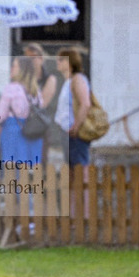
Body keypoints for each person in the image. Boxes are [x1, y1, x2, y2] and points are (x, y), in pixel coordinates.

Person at [55, 47, 92, 217]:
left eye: (61, 60)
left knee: (80, 172)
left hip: (74, 133)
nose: (58, 63)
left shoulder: (77, 79)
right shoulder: (68, 81)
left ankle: (82, 213)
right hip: (66, 132)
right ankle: (72, 212)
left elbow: (85, 104)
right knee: (71, 173)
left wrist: (76, 126)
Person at [0, 56, 43, 169]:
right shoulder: (36, 91)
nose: (11, 69)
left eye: (14, 66)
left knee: (13, 171)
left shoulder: (11, 89)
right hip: (33, 133)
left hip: (13, 132)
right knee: (31, 171)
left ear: (21, 70)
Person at [23, 42, 58, 162]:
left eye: (33, 58)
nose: (30, 62)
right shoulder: (23, 78)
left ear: (41, 59)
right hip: (23, 125)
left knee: (40, 161)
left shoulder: (50, 79)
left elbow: (42, 103)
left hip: (40, 125)